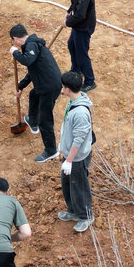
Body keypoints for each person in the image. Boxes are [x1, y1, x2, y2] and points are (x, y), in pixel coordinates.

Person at [10, 23, 63, 161]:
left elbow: (27, 61)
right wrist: (20, 87)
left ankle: (51, 151)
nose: (14, 44)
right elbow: (32, 71)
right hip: (47, 84)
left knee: (45, 120)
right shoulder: (31, 45)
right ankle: (33, 122)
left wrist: (15, 53)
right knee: (34, 94)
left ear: (16, 39)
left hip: (49, 87)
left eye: (13, 41)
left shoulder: (31, 46)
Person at [57, 70, 95, 233]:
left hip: (77, 158)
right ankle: (73, 211)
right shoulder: (73, 102)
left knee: (79, 186)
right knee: (67, 185)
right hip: (69, 155)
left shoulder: (80, 112)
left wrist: (69, 160)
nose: (62, 89)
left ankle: (86, 216)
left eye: (63, 87)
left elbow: (79, 139)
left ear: (67, 89)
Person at [62, 0, 96, 92]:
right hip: (78, 25)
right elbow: (76, 2)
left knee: (82, 54)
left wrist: (68, 22)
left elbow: (81, 14)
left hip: (83, 26)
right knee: (71, 44)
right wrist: (68, 11)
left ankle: (90, 81)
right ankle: (76, 70)